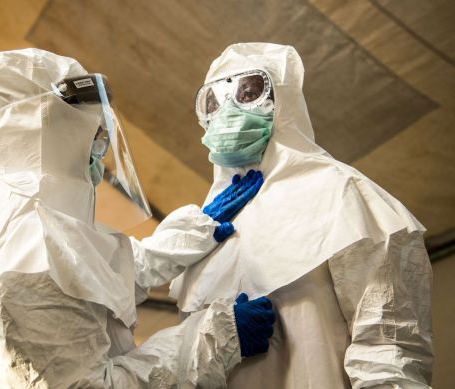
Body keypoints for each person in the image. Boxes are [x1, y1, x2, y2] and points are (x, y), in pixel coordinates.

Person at [0, 48, 275, 388]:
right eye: (96, 136)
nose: (100, 152)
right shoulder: (23, 265)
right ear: (57, 130)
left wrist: (189, 233)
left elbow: (84, 283)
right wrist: (214, 339)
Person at [170, 43, 433, 388]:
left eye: (248, 92)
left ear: (284, 100)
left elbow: (388, 343)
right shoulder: (208, 231)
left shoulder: (342, 195)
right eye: (214, 102)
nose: (228, 110)